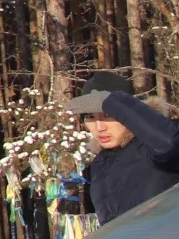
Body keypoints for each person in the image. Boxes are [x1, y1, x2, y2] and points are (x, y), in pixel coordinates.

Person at [63, 70, 179, 223]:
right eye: (90, 116)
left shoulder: (153, 149)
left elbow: (170, 142)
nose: (99, 127)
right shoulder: (99, 164)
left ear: (126, 112)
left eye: (108, 115)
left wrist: (111, 102)